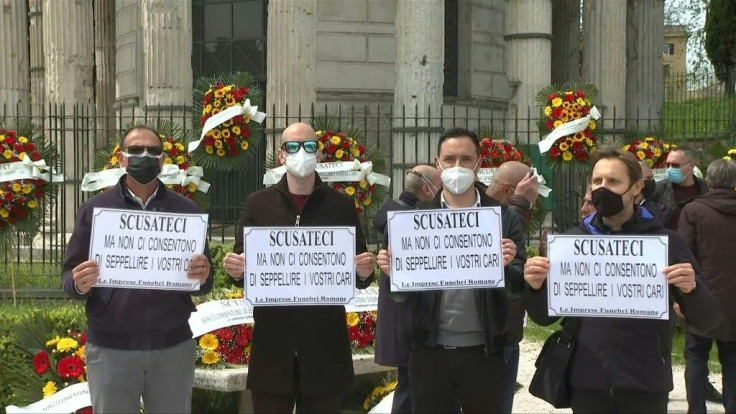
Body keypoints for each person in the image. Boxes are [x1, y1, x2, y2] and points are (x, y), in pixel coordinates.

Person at [523, 148, 722, 413]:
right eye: (597, 181)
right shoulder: (573, 243)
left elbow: (709, 319)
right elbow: (544, 318)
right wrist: (536, 287)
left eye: (613, 181)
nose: (603, 188)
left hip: (645, 382)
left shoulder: (665, 243)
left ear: (636, 187)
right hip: (587, 381)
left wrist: (691, 289)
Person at [221, 122, 376, 413]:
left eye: (308, 146)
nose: (300, 153)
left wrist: (364, 271)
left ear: (319, 154)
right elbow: (244, 270)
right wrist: (236, 270)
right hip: (272, 346)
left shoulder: (342, 206)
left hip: (325, 346)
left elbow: (359, 271)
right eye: (292, 146)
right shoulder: (258, 204)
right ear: (281, 155)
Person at [62, 125, 214, 413]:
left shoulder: (187, 213)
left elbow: (205, 281)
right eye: (136, 150)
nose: (145, 156)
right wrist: (80, 283)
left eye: (153, 151)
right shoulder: (95, 210)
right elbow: (68, 277)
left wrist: (204, 275)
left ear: (162, 160)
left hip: (172, 346)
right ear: (121, 159)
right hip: (110, 347)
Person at [377, 127, 526, 413]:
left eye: (466, 159)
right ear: (438, 163)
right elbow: (398, 298)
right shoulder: (413, 220)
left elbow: (518, 288)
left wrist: (507, 267)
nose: (457, 167)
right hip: (429, 352)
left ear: (479, 164)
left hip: (486, 353)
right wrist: (390, 274)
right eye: (450, 159)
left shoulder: (503, 217)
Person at [372, 165, 442, 414]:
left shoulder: (392, 211)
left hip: (399, 308)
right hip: (408, 310)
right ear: (427, 189)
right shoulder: (410, 219)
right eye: (440, 187)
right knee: (411, 383)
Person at [678, 159, 736, 413]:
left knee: (696, 356)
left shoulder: (693, 211)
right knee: (733, 359)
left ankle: (697, 409)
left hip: (701, 295)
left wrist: (681, 297)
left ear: (708, 181)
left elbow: (683, 256)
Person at [485, 160, 538, 413]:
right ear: (508, 191)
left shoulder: (508, 215)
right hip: (494, 334)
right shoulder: (488, 214)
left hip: (508, 330)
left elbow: (515, 275)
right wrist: (522, 203)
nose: (535, 203)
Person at [652, 145, 708, 231]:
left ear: (692, 165)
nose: (670, 169)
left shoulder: (706, 188)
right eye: (667, 165)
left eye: (675, 165)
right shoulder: (659, 189)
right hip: (669, 241)